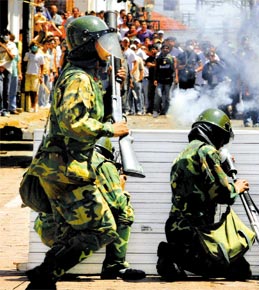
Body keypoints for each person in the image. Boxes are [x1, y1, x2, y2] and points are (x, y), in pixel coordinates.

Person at [23, 16, 145, 289]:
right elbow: (73, 122)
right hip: (65, 168)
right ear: (87, 46)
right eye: (101, 43)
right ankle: (46, 275)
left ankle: (45, 278)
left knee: (87, 228)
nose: (106, 49)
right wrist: (108, 130)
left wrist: (116, 86)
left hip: (66, 166)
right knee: (99, 229)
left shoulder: (81, 75)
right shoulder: (78, 78)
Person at [156, 108, 252, 281]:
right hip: (196, 231)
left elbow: (199, 185)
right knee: (240, 269)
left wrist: (219, 167)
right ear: (216, 133)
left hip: (176, 228)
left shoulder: (185, 153)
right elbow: (223, 194)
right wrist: (236, 187)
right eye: (223, 139)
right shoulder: (207, 151)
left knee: (224, 265)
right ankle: (171, 255)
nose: (222, 145)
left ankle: (173, 254)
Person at [33, 137, 143, 280]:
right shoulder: (100, 162)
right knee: (125, 210)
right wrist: (121, 187)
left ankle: (56, 263)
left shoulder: (56, 158)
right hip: (78, 233)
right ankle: (115, 265)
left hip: (48, 229)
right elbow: (118, 204)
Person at [153, 44, 178, 117]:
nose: (165, 50)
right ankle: (156, 111)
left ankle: (166, 111)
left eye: (167, 48)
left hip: (169, 81)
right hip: (160, 80)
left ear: (169, 50)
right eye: (163, 48)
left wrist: (176, 77)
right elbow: (156, 70)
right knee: (158, 95)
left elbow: (175, 69)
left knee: (168, 97)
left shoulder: (172, 58)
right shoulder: (158, 58)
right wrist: (155, 79)